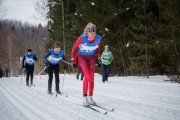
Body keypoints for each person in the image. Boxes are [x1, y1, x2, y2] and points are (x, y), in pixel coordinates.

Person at [71, 22, 102, 106]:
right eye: (90, 33)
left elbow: (98, 50)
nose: (92, 35)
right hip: (82, 57)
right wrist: (72, 60)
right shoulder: (82, 38)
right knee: (87, 76)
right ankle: (84, 98)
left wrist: (99, 59)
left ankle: (90, 97)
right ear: (87, 32)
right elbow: (73, 49)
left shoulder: (98, 39)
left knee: (92, 78)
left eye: (94, 33)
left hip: (91, 57)